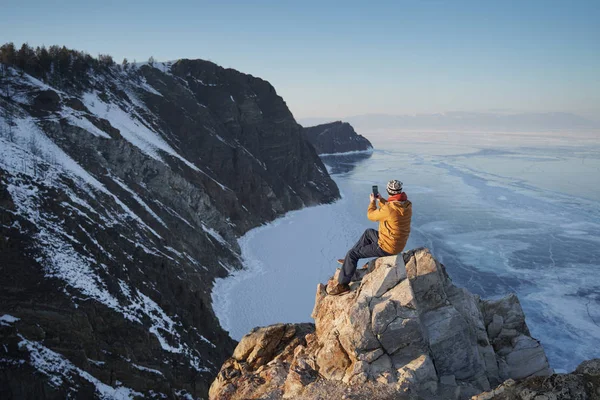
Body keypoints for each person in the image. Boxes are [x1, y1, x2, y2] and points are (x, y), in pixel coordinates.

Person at [328, 179, 412, 295]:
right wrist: (381, 200)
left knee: (353, 254)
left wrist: (372, 202)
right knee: (369, 232)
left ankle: (343, 285)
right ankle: (350, 261)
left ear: (389, 191)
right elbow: (392, 209)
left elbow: (371, 216)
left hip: (387, 246)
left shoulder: (389, 208)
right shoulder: (407, 205)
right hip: (397, 243)